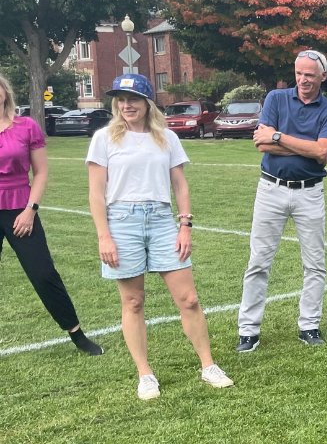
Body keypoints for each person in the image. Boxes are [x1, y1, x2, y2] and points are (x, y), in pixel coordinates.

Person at [86, 74, 233, 399]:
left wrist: (185, 225)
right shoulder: (104, 138)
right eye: (121, 100)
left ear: (148, 102)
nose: (126, 106)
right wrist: (104, 237)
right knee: (133, 301)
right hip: (122, 221)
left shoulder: (166, 137)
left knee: (189, 299)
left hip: (162, 220)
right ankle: (145, 374)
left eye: (133, 99)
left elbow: (179, 185)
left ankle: (208, 365)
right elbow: (96, 194)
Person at [236, 50, 327, 352]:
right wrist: (309, 149)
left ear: (323, 76)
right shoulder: (275, 98)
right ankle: (248, 331)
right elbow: (261, 144)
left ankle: (309, 325)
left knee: (315, 264)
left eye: (309, 74)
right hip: (271, 189)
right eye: (298, 73)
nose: (303, 79)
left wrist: (279, 138)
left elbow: (322, 151)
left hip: (310, 192)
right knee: (258, 262)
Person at [0, 74, 102, 356]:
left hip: (20, 209)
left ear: (5, 92)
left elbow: (41, 172)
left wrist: (30, 210)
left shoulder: (26, 126)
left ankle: (77, 334)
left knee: (43, 273)